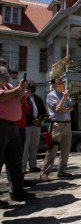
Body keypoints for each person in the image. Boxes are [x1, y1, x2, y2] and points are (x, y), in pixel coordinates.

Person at [0, 66, 35, 202]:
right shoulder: (8, 88)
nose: (6, 75)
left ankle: (17, 191)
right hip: (1, 125)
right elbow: (2, 98)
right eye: (4, 74)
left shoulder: (9, 85)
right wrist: (17, 90)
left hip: (12, 126)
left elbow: (17, 98)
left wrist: (21, 91)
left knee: (15, 160)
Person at [40, 77, 74, 182]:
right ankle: (44, 173)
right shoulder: (51, 95)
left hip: (67, 124)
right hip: (57, 126)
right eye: (59, 83)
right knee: (52, 150)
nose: (62, 85)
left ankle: (62, 171)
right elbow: (58, 110)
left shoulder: (65, 95)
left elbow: (72, 107)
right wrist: (64, 99)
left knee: (66, 150)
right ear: (54, 85)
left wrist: (65, 107)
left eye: (62, 83)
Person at [23, 81, 46, 173]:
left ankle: (33, 165)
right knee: (25, 147)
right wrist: (33, 120)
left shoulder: (38, 98)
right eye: (31, 87)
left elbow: (43, 111)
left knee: (34, 146)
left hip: (37, 126)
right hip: (27, 125)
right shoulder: (24, 98)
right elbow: (25, 112)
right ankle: (23, 167)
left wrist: (39, 120)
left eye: (34, 87)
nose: (32, 89)